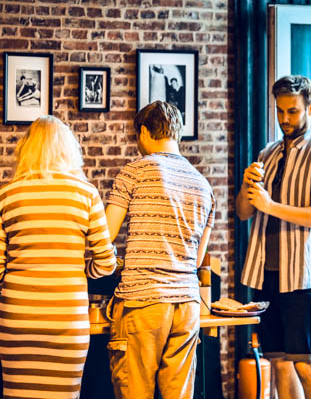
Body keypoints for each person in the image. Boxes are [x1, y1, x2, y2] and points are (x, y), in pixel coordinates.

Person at [0, 115, 117, 399]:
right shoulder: (86, 195)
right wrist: (78, 269)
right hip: (67, 320)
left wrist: (22, 272)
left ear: (26, 149)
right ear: (69, 151)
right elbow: (106, 264)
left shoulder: (5, 195)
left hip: (18, 320)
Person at [237, 75, 311, 399]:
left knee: (307, 364)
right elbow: (243, 212)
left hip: (306, 277)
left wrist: (271, 206)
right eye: (280, 111)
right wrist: (246, 186)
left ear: (310, 108)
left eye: (293, 111)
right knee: (280, 364)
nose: (284, 119)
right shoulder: (267, 154)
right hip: (267, 274)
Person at [105, 101, 215, 399]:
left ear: (143, 131)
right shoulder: (203, 185)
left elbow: (105, 237)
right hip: (187, 304)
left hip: (143, 301)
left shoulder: (134, 172)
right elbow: (197, 258)